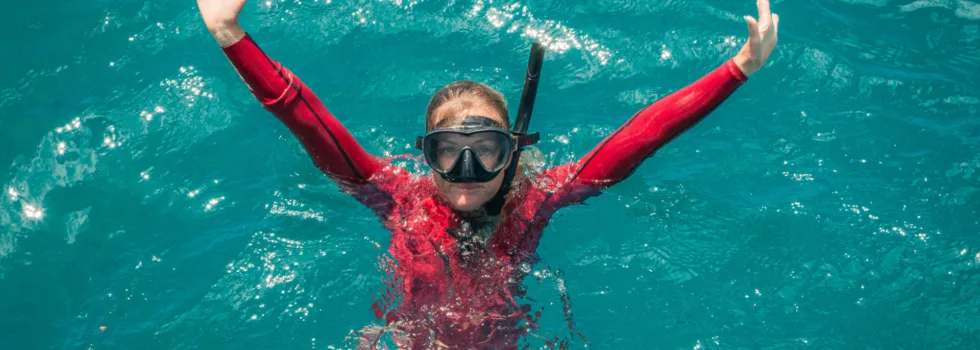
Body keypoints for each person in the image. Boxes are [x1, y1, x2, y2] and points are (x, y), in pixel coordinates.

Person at [196, 0, 779, 348]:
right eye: (449, 152)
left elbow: (638, 139)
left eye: (487, 150)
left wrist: (739, 68)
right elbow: (308, 122)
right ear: (425, 154)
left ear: (514, 152)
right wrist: (229, 35)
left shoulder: (538, 197)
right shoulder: (397, 197)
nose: (468, 170)